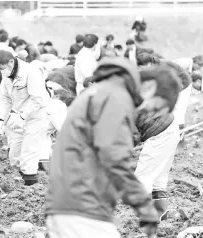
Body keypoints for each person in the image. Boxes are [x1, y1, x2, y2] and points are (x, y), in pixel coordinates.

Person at [46, 57, 182, 238]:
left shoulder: (107, 92)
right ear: (150, 87)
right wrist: (143, 204)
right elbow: (113, 160)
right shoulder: (116, 100)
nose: (149, 111)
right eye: (156, 106)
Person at [134, 61, 192, 222]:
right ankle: (161, 213)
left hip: (160, 134)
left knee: (141, 178)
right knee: (159, 178)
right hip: (170, 128)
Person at [0, 50, 51, 186]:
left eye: (2, 68)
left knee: (28, 153)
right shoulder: (6, 74)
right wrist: (0, 120)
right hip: (17, 115)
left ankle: (31, 189)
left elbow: (38, 100)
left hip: (36, 116)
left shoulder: (31, 72)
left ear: (11, 62)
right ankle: (27, 178)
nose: (2, 71)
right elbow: (6, 100)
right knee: (14, 156)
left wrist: (23, 116)